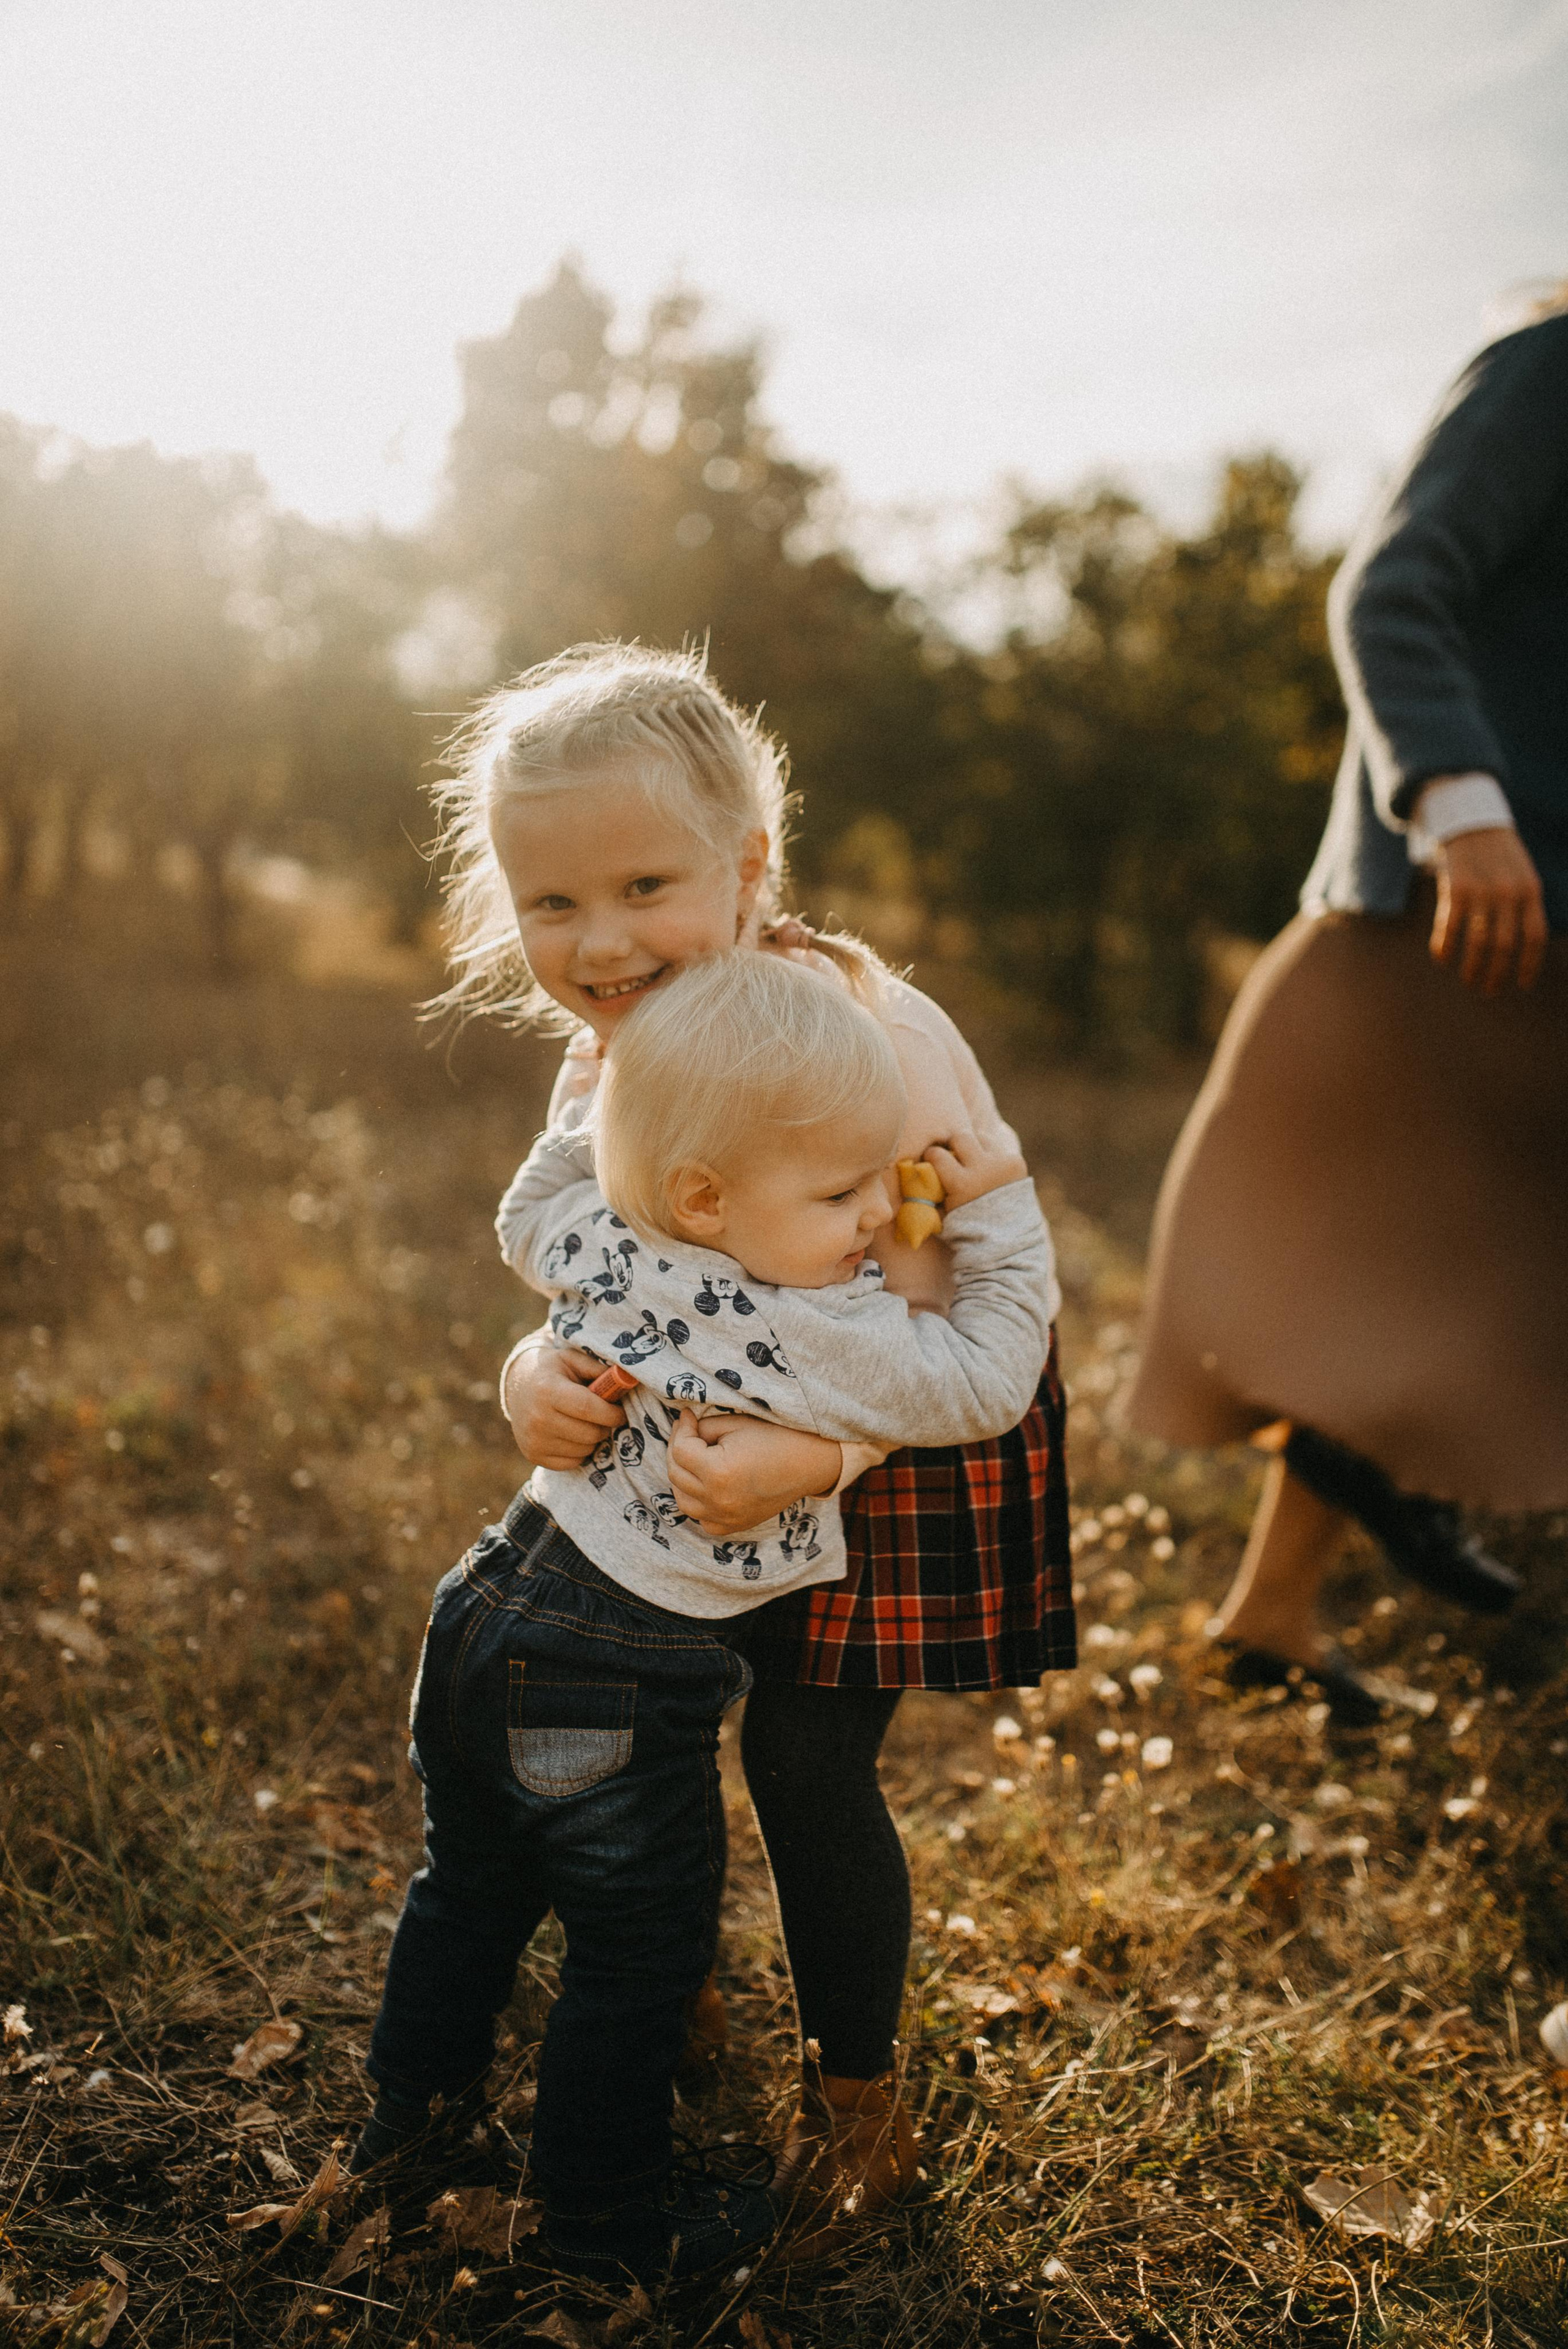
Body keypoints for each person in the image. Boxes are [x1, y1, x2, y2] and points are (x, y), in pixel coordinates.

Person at [456, 643, 1075, 2254]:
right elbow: (598, 1257)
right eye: (552, 904)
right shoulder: (609, 1054)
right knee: (660, 1732)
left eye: (644, 885)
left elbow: (936, 1307)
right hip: (699, 1460)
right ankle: (672, 1991)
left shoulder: (870, 1032)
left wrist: (827, 1463)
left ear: (748, 869)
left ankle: (858, 2108)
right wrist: (536, 1366)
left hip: (899, 1426)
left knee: (803, 1762)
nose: (598, 945)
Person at [355, 951, 1053, 2287]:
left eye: (874, 1186)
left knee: (470, 1892)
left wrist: (621, 1095)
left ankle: (406, 2121)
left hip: (486, 1611)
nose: (871, 1222)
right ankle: (605, 2230)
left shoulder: (610, 1232)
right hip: (615, 1677)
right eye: (841, 1191)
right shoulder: (824, 1326)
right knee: (638, 1956)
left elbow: (530, 1205)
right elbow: (987, 1375)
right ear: (708, 1194)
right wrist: (998, 1211)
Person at [1128, 295, 1568, 1721]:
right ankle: (1345, 1494)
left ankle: (1272, 1609)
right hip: (1450, 911)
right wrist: (1456, 806)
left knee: (1437, 1258)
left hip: (1531, 935)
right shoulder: (1551, 367)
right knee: (1400, 1258)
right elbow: (1389, 587)